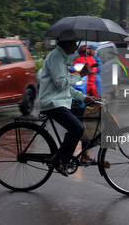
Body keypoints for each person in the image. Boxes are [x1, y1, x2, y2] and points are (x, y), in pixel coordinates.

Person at [38, 30, 95, 177]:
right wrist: (80, 75)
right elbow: (62, 83)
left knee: (86, 114)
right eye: (74, 43)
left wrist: (83, 97)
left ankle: (85, 152)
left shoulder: (62, 58)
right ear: (67, 44)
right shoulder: (56, 58)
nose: (76, 46)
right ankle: (58, 158)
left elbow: (66, 87)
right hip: (53, 103)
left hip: (61, 101)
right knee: (77, 128)